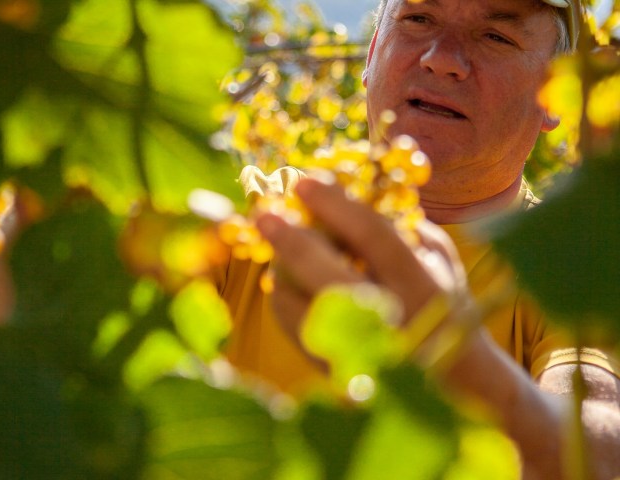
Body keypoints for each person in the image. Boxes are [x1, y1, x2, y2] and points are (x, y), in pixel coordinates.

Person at [217, 0, 620, 479]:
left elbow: (601, 449)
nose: (442, 57)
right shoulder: (258, 212)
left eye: (496, 37)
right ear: (370, 55)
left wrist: (457, 356)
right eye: (419, 19)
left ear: (553, 94)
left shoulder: (576, 271)